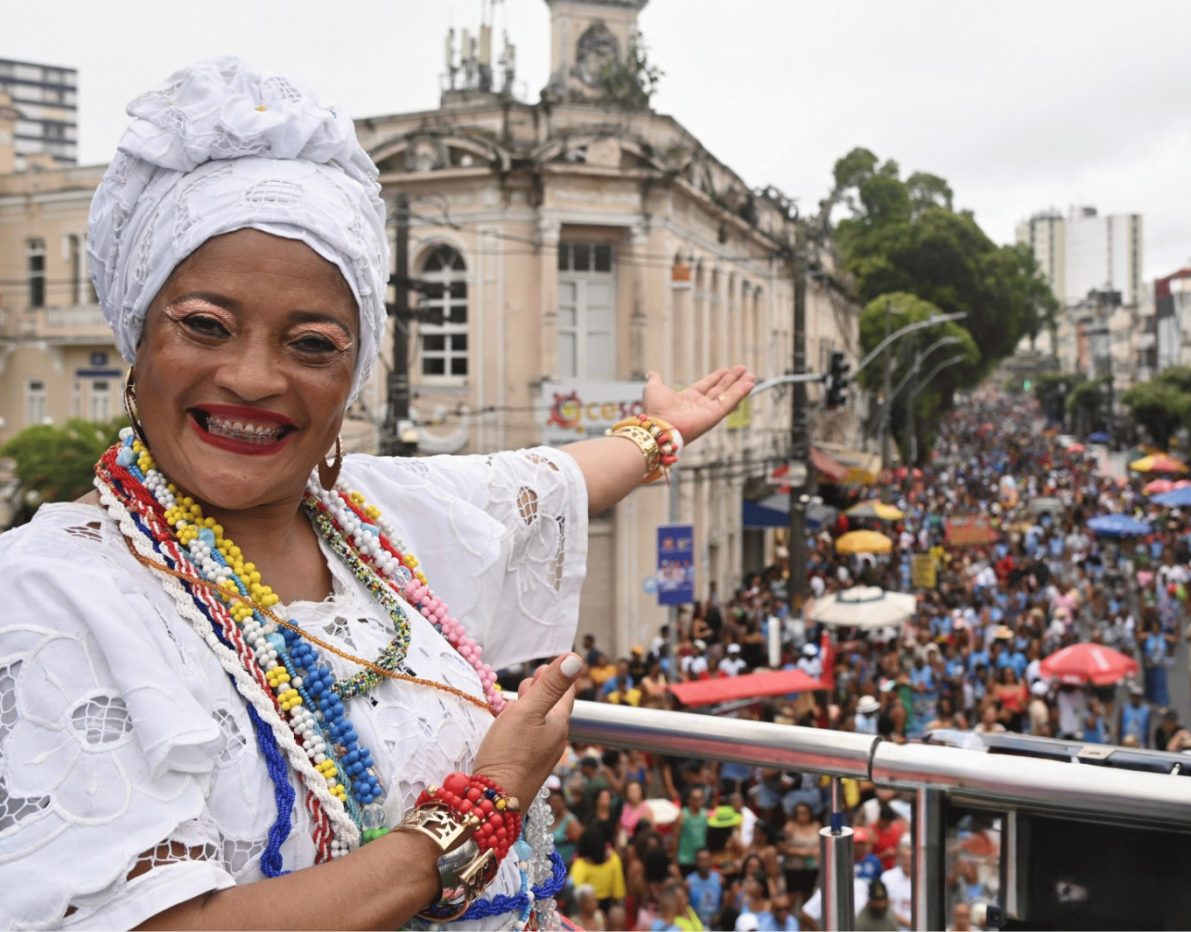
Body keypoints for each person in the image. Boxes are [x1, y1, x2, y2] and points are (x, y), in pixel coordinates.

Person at [0, 59, 753, 929]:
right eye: (205, 325)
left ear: (353, 376)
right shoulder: (52, 592)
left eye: (311, 343)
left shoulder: (369, 521)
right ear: (137, 337)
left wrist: (656, 434)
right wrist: (481, 809)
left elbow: (551, 479)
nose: (251, 376)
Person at [878, 837, 914, 930]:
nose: (907, 862)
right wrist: (909, 923)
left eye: (910, 858)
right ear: (900, 858)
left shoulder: (922, 879)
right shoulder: (887, 877)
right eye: (905, 858)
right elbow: (882, 906)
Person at [684, 849, 723, 929]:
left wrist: (720, 916)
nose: (704, 863)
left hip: (715, 925)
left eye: (707, 860)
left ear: (711, 861)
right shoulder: (689, 882)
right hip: (696, 924)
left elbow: (724, 902)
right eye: (701, 860)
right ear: (696, 862)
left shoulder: (719, 880)